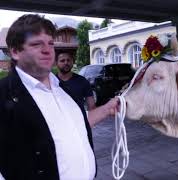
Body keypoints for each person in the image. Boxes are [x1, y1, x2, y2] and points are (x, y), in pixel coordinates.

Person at [0, 14, 119, 180]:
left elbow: (78, 122)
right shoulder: (4, 94)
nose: (47, 50)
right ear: (15, 51)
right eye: (36, 44)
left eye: (50, 43)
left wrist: (107, 108)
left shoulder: (62, 88)